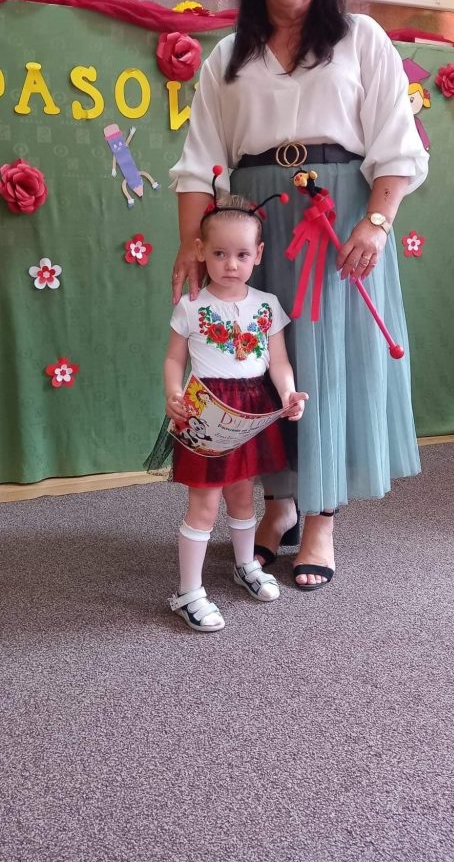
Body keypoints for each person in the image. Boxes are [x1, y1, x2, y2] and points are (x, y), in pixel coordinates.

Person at [169, 0, 429, 591]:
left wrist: (376, 221)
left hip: (335, 221)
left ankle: (319, 520)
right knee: (257, 365)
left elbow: (396, 146)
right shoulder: (227, 56)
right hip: (251, 227)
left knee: (324, 366)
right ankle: (278, 505)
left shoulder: (361, 38)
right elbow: (198, 162)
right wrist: (191, 244)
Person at [150, 189, 306, 631]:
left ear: (258, 254)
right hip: (206, 412)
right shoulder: (191, 305)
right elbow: (174, 359)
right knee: (204, 503)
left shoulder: (266, 305)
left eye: (241, 254)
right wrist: (172, 392)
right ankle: (189, 592)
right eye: (219, 253)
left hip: (252, 412)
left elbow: (278, 361)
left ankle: (245, 565)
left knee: (242, 494)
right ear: (201, 251)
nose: (231, 264)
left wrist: (288, 394)